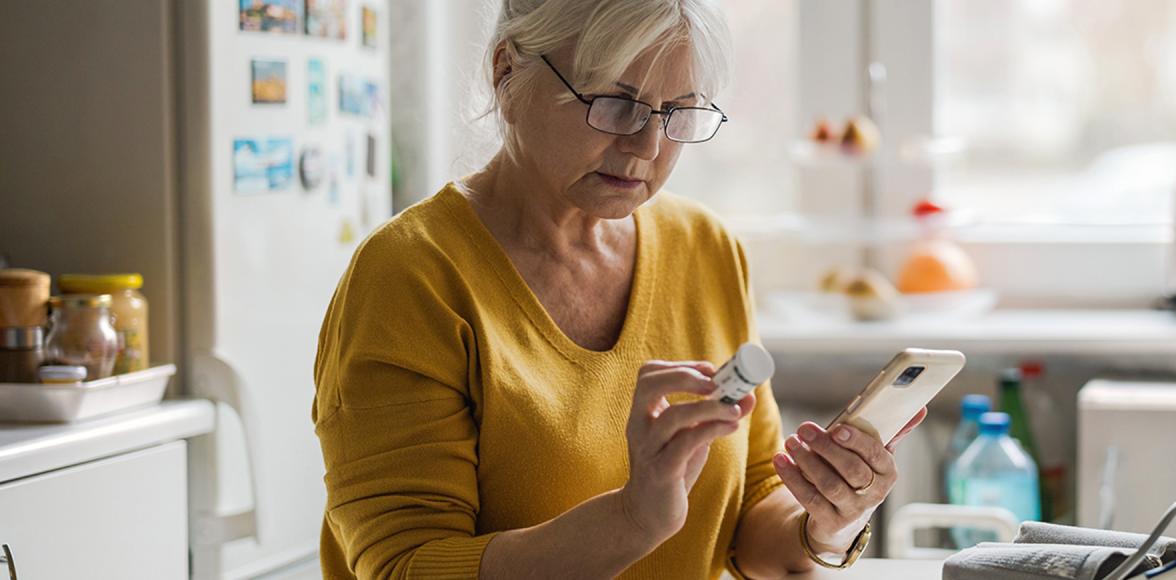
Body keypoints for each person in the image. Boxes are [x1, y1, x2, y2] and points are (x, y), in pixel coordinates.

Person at [311, 0, 925, 577]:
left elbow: (749, 516)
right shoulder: (411, 276)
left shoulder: (705, 246)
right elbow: (404, 566)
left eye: (678, 112)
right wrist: (632, 521)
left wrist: (828, 523)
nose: (648, 147)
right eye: (614, 103)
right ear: (507, 74)